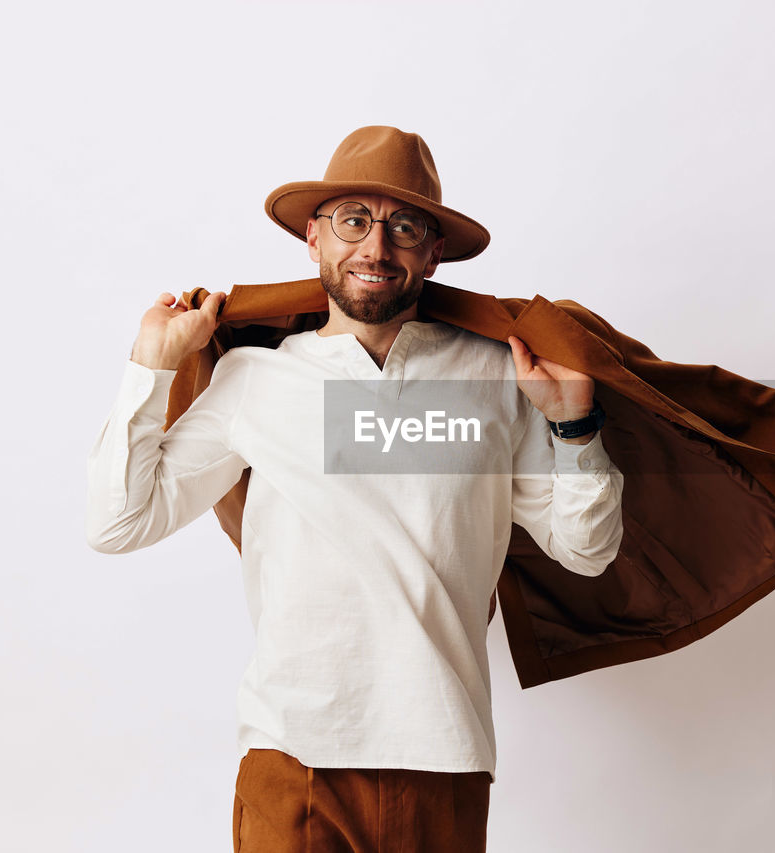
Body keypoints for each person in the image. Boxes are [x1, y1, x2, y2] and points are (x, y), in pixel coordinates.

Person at [85, 125, 625, 852]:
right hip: (295, 754)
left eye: (404, 227)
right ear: (313, 239)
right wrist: (149, 369)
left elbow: (587, 552)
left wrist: (577, 430)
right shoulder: (256, 381)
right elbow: (119, 522)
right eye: (354, 221)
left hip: (447, 759)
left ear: (433, 251)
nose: (375, 247)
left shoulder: (496, 376)